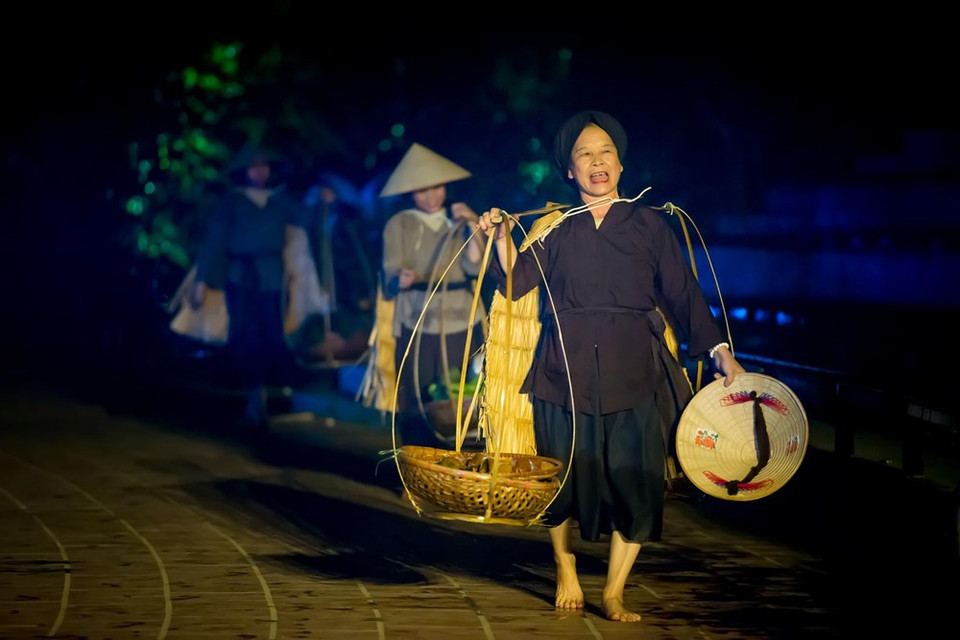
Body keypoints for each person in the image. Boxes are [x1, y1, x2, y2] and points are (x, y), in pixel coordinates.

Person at [476, 110, 746, 622]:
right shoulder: (553, 229)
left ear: (620, 165)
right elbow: (513, 284)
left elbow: (684, 293)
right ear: (570, 171)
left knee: (637, 479)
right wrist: (501, 236)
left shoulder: (650, 225)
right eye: (585, 154)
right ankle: (564, 562)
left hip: (633, 370)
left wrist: (718, 350)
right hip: (563, 372)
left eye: (606, 153)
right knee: (560, 476)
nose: (597, 162)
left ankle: (616, 590)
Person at [188, 142, 319, 427]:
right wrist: (200, 281)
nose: (260, 171)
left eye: (264, 166)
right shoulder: (232, 203)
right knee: (246, 338)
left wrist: (323, 199)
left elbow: (307, 219)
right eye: (254, 166)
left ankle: (271, 396)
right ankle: (253, 398)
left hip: (271, 277)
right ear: (245, 171)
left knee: (273, 335)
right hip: (240, 277)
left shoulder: (279, 202)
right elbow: (214, 240)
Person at [380, 143, 487, 446]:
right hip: (418, 319)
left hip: (463, 317)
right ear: (411, 192)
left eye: (437, 187)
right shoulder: (399, 224)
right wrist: (400, 279)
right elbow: (389, 273)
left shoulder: (458, 219)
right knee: (417, 391)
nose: (432, 196)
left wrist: (471, 223)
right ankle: (415, 465)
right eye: (423, 190)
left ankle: (462, 467)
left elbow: (475, 265)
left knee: (467, 389)